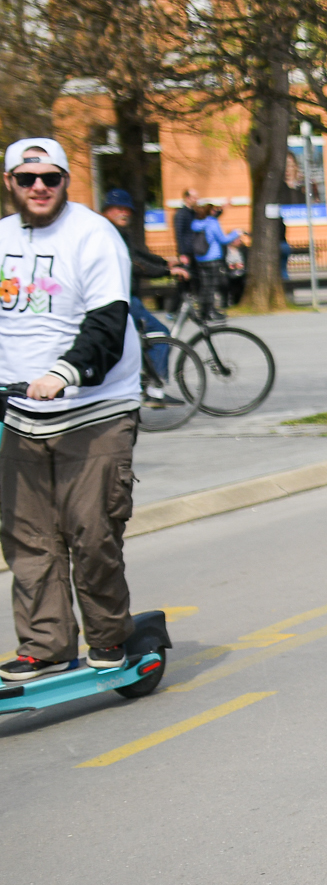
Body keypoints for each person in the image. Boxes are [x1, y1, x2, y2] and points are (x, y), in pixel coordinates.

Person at [0, 138, 145, 679]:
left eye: (51, 178)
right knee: (28, 539)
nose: (38, 187)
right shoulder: (2, 238)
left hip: (95, 409)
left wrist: (65, 372)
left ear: (65, 181)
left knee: (92, 533)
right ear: (10, 181)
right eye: (26, 177)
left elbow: (108, 321)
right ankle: (45, 643)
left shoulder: (92, 234)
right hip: (20, 414)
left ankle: (108, 635)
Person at [100, 189, 172, 380]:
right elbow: (134, 263)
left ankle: (142, 379)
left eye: (127, 209)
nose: (123, 212)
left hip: (123, 296)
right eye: (118, 208)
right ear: (106, 210)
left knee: (135, 342)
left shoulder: (119, 233)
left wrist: (166, 263)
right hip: (121, 298)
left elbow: (140, 255)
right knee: (159, 335)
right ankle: (156, 388)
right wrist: (167, 272)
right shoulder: (108, 234)